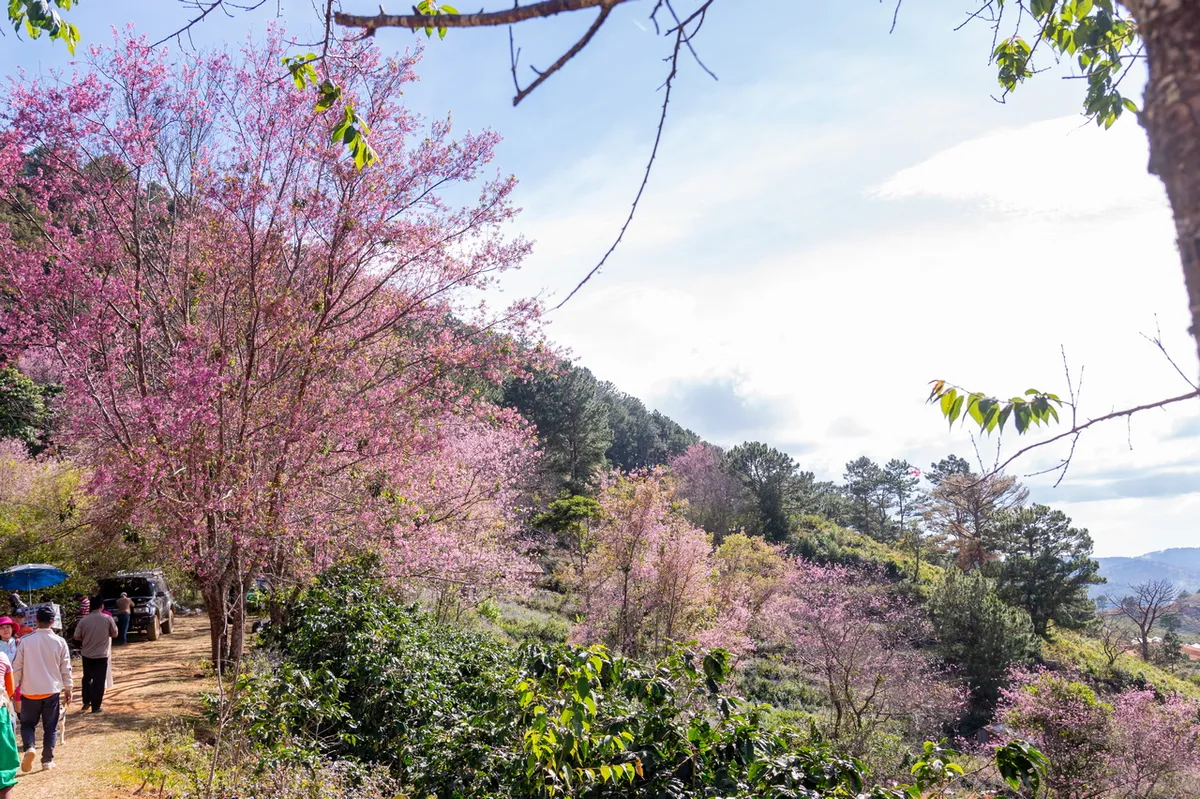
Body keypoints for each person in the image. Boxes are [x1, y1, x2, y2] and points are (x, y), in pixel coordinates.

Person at [12, 607, 72, 773]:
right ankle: (47, 760)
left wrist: (12, 687)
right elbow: (65, 667)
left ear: (36, 620)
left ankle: (30, 747)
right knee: (51, 727)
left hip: (29, 691)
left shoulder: (26, 640)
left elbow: (17, 667)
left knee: (27, 724)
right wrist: (69, 688)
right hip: (51, 691)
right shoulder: (60, 642)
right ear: (53, 622)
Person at [73, 597, 116, 714]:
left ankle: (86, 701)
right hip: (102, 654)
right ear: (102, 606)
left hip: (87, 654)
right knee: (99, 680)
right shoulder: (108, 619)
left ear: (90, 606)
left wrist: (86, 638)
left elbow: (76, 636)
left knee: (87, 677)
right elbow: (115, 633)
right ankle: (96, 707)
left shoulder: (84, 620)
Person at [0, 620, 20, 714]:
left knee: (22, 712)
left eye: (7, 627)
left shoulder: (19, 643)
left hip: (20, 681)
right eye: (2, 628)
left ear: (12, 629)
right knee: (8, 711)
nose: (5, 630)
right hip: (3, 684)